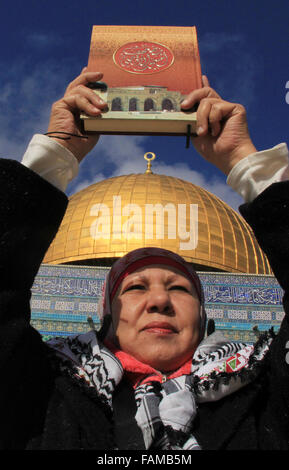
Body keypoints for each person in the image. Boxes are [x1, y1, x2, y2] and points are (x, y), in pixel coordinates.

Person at [0, 68, 289, 450]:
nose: (158, 301)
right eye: (135, 287)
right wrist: (58, 149)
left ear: (205, 316)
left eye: (180, 288)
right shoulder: (41, 400)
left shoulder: (265, 404)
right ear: (106, 317)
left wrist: (245, 162)